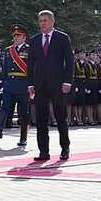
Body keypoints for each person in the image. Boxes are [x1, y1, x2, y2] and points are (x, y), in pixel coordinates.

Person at [27, 10, 74, 161]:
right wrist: (30, 84)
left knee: (61, 117)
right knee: (41, 119)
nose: (42, 23)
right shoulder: (34, 40)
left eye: (45, 20)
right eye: (40, 21)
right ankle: (43, 152)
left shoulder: (62, 38)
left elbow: (69, 61)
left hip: (58, 84)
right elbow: (30, 64)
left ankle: (65, 148)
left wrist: (67, 81)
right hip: (40, 85)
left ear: (52, 21)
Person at [0, 25, 31, 146]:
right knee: (5, 107)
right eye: (14, 36)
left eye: (18, 36)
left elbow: (33, 68)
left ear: (24, 37)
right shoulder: (8, 50)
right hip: (9, 84)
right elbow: (5, 69)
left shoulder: (30, 50)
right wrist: (4, 83)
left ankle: (23, 138)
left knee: (23, 113)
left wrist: (32, 84)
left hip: (23, 84)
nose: (16, 38)